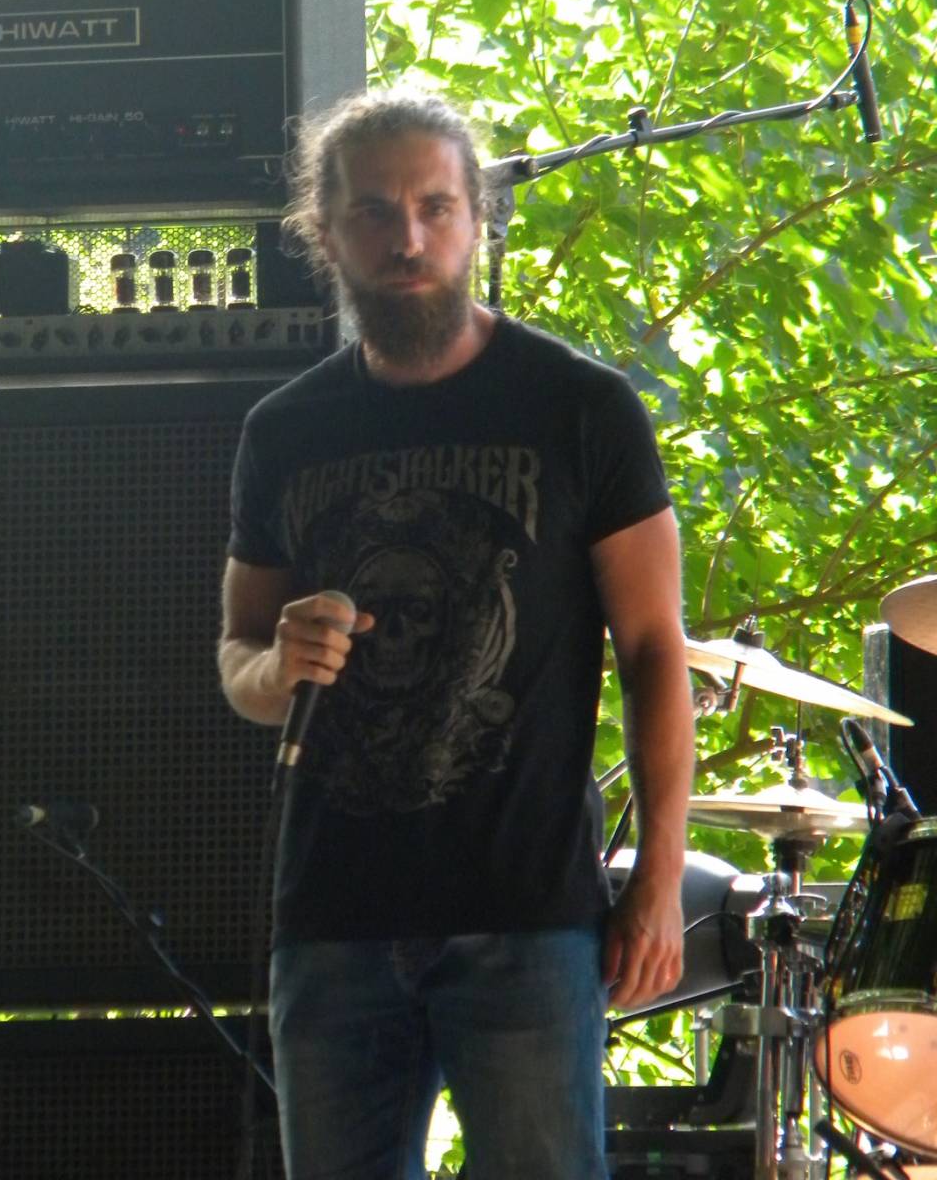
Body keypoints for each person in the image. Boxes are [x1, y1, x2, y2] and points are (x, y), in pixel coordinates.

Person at [218, 88, 695, 1180]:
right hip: (332, 919)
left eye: (436, 206)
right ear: (325, 231)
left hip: (526, 918)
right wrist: (276, 664)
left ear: (479, 217)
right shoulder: (282, 431)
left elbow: (655, 652)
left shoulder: (582, 408)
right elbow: (237, 657)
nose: (409, 238)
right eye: (375, 211)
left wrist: (658, 878)